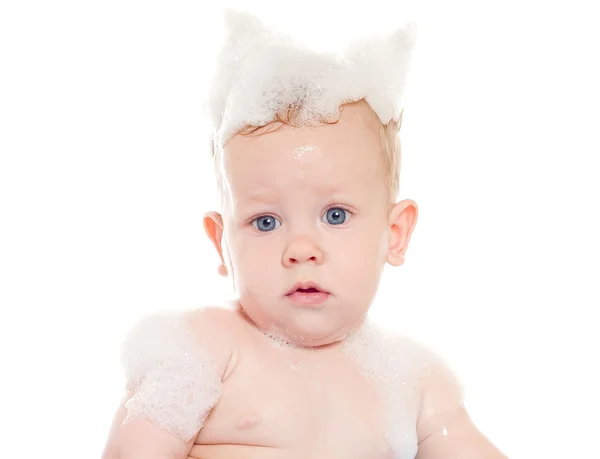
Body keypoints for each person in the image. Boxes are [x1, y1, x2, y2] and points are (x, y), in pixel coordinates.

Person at [102, 9, 507, 459]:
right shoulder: (203, 351)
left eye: (335, 215)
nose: (300, 250)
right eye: (266, 222)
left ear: (395, 234)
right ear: (222, 243)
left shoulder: (418, 385)